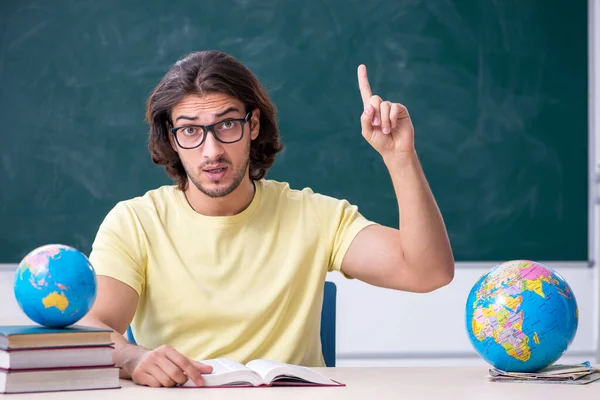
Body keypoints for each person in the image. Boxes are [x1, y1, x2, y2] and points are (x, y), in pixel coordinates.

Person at [80, 50, 454, 388]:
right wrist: (134, 357)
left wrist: (399, 155)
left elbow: (428, 272)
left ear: (253, 125)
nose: (211, 151)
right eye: (191, 130)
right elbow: (94, 327)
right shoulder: (135, 222)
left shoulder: (314, 215)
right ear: (172, 139)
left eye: (227, 125)